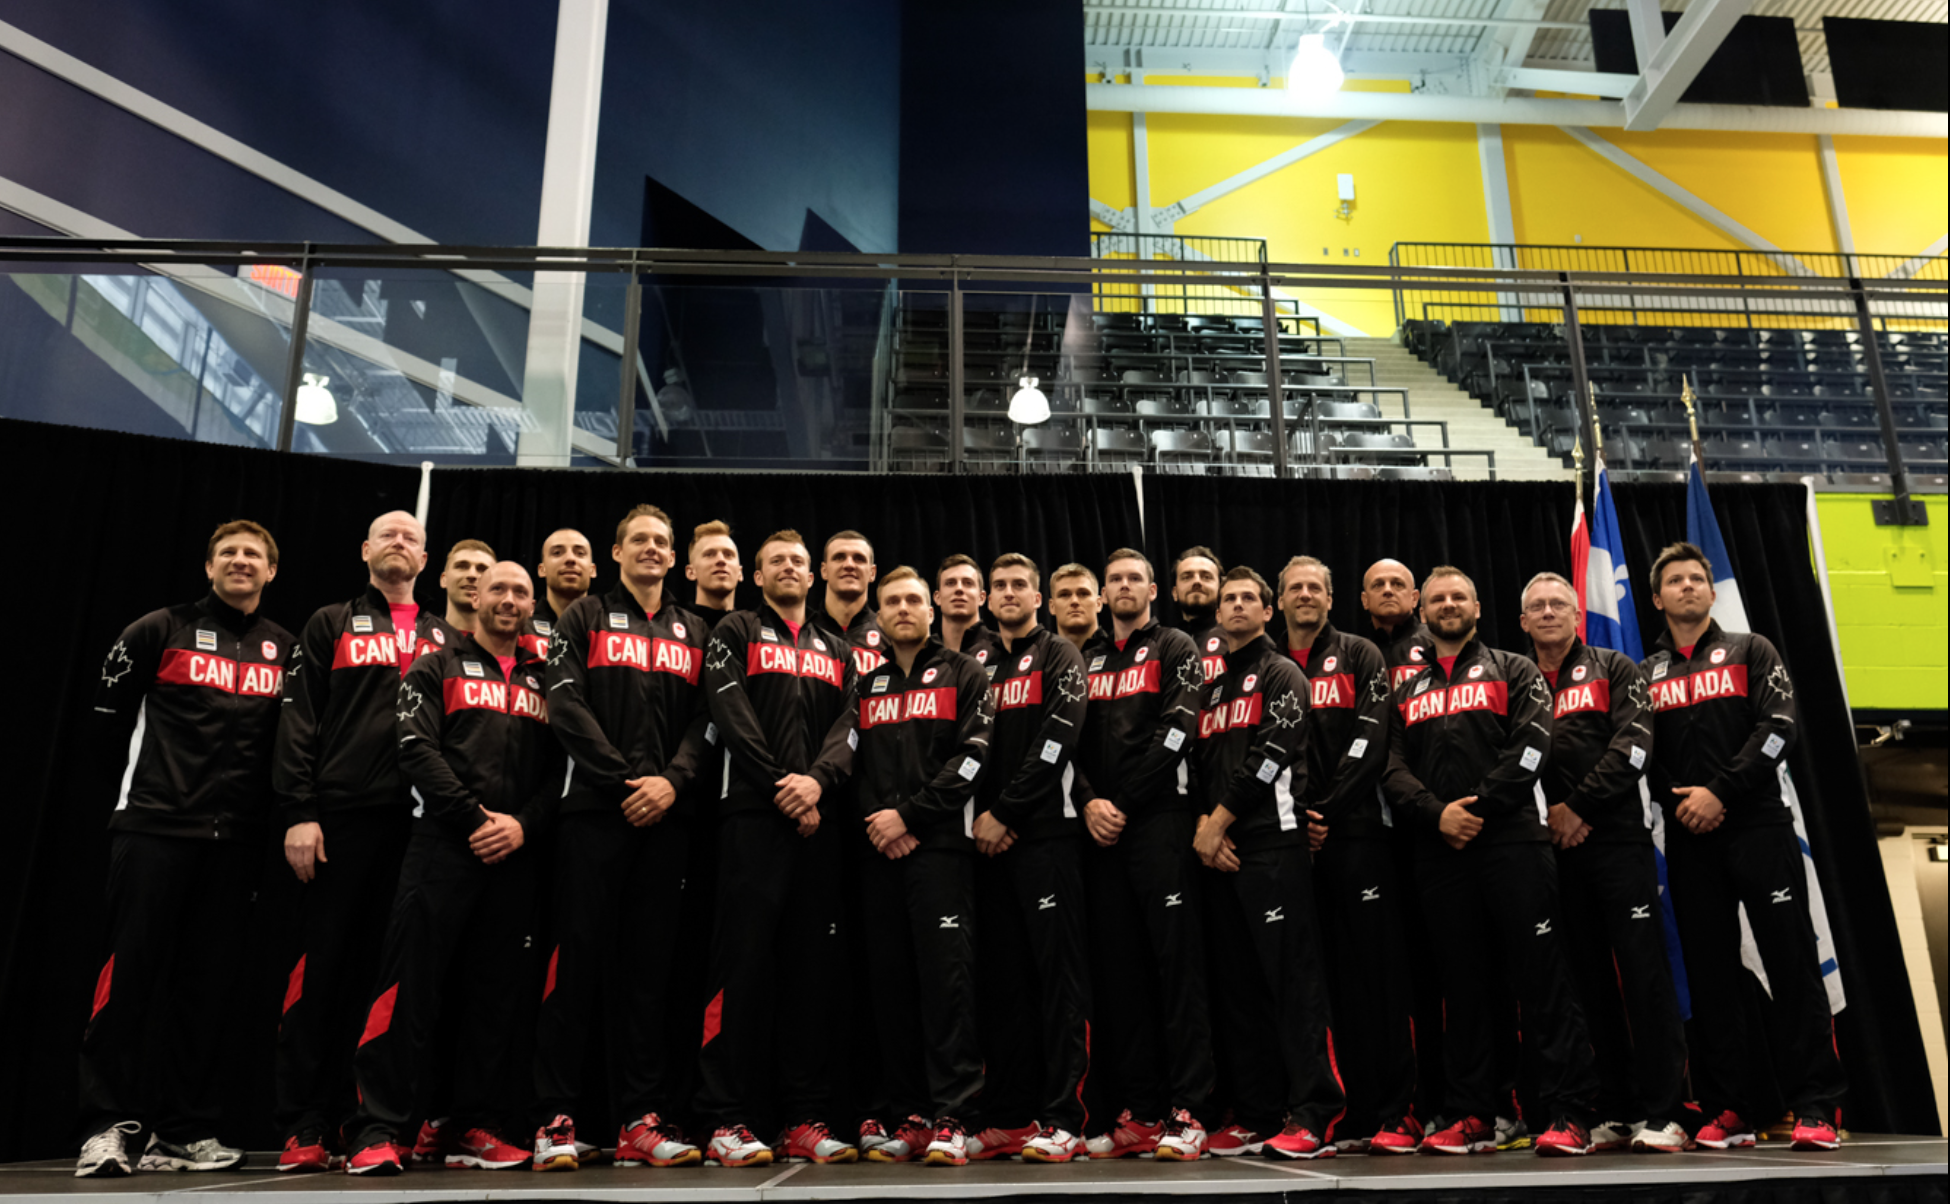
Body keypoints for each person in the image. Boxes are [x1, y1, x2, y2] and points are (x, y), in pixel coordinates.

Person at [75, 521, 293, 1179]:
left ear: (271, 571)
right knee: (129, 982)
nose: (240, 561)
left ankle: (183, 1132)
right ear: (208, 566)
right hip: (152, 833)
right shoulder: (156, 629)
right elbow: (104, 728)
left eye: (253, 554)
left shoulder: (284, 649)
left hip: (234, 849)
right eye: (228, 552)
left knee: (208, 993)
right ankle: (104, 1127)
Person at [343, 563, 560, 1175]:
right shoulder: (435, 664)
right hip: (442, 847)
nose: (510, 599)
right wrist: (472, 818)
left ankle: (474, 1128)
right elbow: (414, 746)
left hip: (515, 856)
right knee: (408, 990)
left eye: (521, 592)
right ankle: (377, 1129)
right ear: (476, 597)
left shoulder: (547, 681)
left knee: (495, 999)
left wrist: (521, 825)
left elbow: (556, 775)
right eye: (499, 589)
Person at [1379, 566, 1599, 1157]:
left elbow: (1534, 744)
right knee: (1464, 988)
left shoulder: (1515, 668)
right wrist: (1435, 815)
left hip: (1512, 846)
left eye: (1459, 596)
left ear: (1478, 607)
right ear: (1422, 612)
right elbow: (1390, 766)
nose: (1448, 605)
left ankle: (1568, 1113)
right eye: (1437, 599)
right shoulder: (1406, 689)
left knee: (1542, 981)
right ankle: (1476, 1112)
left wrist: (1474, 808)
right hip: (1440, 853)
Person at [1643, 543, 1845, 1152]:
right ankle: (1732, 1106)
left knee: (1790, 964)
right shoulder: (1647, 672)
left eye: (1696, 579)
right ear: (1657, 598)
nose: (1686, 587)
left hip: (1758, 828)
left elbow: (1780, 728)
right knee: (1710, 978)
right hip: (1687, 838)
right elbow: (1635, 751)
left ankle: (1816, 1105)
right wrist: (1681, 801)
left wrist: (1719, 792)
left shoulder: (1753, 649)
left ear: (1711, 591)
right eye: (1674, 581)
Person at [272, 511, 456, 1172]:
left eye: (411, 536)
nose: (400, 543)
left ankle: (374, 1125)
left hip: (423, 829)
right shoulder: (329, 623)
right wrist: (300, 808)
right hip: (339, 821)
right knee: (323, 971)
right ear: (365, 551)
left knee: (396, 981)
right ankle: (303, 1122)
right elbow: (298, 720)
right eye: (388, 534)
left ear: (425, 558)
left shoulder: (446, 636)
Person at [530, 505, 712, 1171]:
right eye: (640, 539)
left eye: (662, 542)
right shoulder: (581, 618)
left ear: (672, 557)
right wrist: (625, 781)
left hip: (667, 820)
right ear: (618, 552)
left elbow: (708, 720)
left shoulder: (694, 629)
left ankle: (640, 1119)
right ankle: (556, 1118)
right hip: (594, 815)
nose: (652, 549)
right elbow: (565, 704)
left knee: (647, 977)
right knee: (574, 970)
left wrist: (672, 782)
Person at [694, 530, 859, 1167]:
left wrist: (817, 782)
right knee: (740, 969)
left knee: (808, 973)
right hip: (750, 820)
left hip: (817, 823)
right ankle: (726, 1118)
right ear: (757, 577)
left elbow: (851, 726)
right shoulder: (734, 631)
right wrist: (781, 786)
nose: (788, 569)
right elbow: (729, 711)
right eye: (775, 563)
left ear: (810, 576)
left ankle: (802, 1118)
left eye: (797, 560)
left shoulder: (837, 648)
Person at [1517, 571, 1688, 1154]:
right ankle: (1615, 1107)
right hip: (1551, 855)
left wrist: (1578, 808)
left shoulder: (1617, 668)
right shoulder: (1517, 679)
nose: (1547, 613)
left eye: (1557, 604)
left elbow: (1635, 746)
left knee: (1643, 977)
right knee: (1586, 986)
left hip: (1618, 845)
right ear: (1522, 622)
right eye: (1536, 606)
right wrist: (1555, 820)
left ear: (1576, 614)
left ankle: (1665, 1111)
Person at [1190, 567, 1343, 1160]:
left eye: (1247, 598)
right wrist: (1208, 830)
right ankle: (1257, 1112)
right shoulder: (1211, 687)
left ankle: (1317, 1114)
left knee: (1295, 986)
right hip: (1223, 854)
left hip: (1274, 847)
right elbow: (1201, 767)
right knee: (1241, 990)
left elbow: (1270, 755)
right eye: (1227, 599)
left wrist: (1217, 823)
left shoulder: (1282, 673)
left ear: (1267, 609)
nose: (1235, 606)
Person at [1074, 549, 1214, 1161]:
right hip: (1100, 830)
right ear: (1103, 595)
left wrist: (1120, 802)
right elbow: (1063, 740)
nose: (1125, 587)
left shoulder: (1177, 646)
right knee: (1122, 976)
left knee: (1177, 972)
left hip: (1158, 822)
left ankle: (1191, 1110)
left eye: (1135, 578)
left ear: (1153, 589)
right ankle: (1141, 1112)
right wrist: (1086, 802)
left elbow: (1178, 730)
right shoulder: (1087, 657)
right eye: (1115, 580)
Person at [1276, 556, 1419, 1156]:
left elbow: (1371, 737)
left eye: (1316, 587)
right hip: (1286, 842)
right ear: (1278, 601)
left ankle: (1397, 1111)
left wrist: (1323, 812)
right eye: (1295, 588)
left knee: (1377, 979)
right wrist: (1295, 821)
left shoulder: (1361, 654)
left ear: (1333, 599)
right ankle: (1334, 1114)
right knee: (1314, 982)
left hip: (1356, 834)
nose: (1306, 595)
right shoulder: (1270, 663)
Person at [850, 567, 993, 1166]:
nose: (904, 609)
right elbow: (849, 765)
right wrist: (881, 824)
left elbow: (972, 759)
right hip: (880, 853)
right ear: (879, 614)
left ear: (931, 610)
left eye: (913, 600)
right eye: (893, 601)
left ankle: (955, 1116)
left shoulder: (967, 673)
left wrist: (908, 817)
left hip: (941, 852)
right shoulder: (867, 683)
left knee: (947, 985)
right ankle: (907, 1113)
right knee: (891, 986)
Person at [967, 555, 1092, 1164]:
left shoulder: (1061, 656)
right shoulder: (977, 662)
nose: (1010, 593)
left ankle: (1063, 1116)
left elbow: (1057, 739)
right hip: (985, 845)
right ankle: (1010, 1116)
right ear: (988, 599)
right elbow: (962, 743)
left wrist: (1006, 813)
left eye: (1021, 585)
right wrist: (980, 822)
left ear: (1037, 597)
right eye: (1001, 586)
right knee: (1003, 985)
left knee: (1057, 983)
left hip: (1045, 837)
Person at [814, 529, 887, 676]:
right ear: (824, 570)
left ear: (872, 573)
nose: (849, 565)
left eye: (859, 559)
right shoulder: (803, 630)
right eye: (839, 557)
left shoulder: (891, 634)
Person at [1361, 559, 1433, 690]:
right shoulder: (1355, 653)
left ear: (1414, 598)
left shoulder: (1438, 643)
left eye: (1398, 584)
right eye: (1378, 585)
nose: (1388, 590)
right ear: (1365, 600)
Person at [526, 528, 596, 659]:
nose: (570, 559)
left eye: (580, 553)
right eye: (557, 553)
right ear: (542, 570)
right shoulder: (521, 628)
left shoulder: (606, 631)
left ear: (592, 570)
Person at [1168, 546, 1227, 684]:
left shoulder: (1237, 639)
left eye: (1206, 577)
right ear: (1175, 593)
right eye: (1187, 577)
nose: (1197, 582)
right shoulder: (1162, 645)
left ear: (1221, 590)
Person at [936, 554, 1005, 666]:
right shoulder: (924, 656)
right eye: (950, 583)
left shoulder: (1003, 649)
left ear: (981, 597)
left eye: (968, 583)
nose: (959, 589)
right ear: (937, 597)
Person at [685, 520, 741, 629]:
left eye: (728, 555)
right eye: (709, 554)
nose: (721, 560)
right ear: (691, 572)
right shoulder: (674, 627)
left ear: (740, 572)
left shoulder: (752, 633)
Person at [440, 540, 496, 635]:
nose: (472, 575)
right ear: (444, 580)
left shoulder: (511, 644)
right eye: (462, 567)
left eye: (482, 569)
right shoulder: (417, 636)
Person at [1048, 564, 1103, 651]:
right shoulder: (1042, 660)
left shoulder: (1118, 654)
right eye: (1064, 595)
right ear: (1052, 606)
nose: (1074, 601)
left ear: (1099, 604)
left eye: (1083, 594)